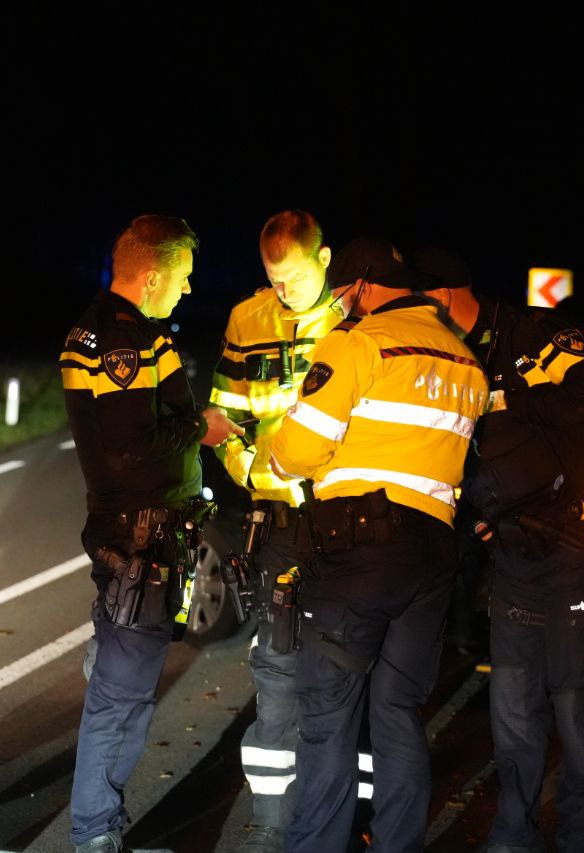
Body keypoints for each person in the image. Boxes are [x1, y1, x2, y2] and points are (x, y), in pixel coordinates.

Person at [412, 245, 584, 853]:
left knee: (579, 702)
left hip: (576, 550)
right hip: (511, 558)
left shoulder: (532, 335)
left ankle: (583, 836)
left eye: (419, 299)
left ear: (445, 294)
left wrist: (513, 399)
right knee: (512, 709)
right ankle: (514, 835)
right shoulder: (443, 352)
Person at [269, 237, 487, 853]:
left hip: (357, 552)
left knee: (328, 717)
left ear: (362, 284)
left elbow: (298, 450)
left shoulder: (360, 342)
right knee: (397, 714)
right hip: (433, 555)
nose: (341, 305)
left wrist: (278, 455)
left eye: (342, 295)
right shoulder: (465, 360)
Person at [58, 214, 243, 853]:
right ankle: (95, 834)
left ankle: (108, 652)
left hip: (137, 534)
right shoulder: (122, 339)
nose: (188, 289)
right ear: (153, 276)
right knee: (124, 700)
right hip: (140, 537)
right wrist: (201, 428)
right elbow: (127, 447)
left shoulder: (113, 328)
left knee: (125, 676)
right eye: (183, 278)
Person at [208, 210, 364, 852]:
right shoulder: (249, 319)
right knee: (276, 669)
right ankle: (270, 824)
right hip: (278, 519)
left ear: (325, 259)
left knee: (349, 669)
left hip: (349, 518)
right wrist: (253, 470)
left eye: (295, 277)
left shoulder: (360, 318)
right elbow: (224, 414)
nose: (285, 291)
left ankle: (351, 823)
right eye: (274, 279)